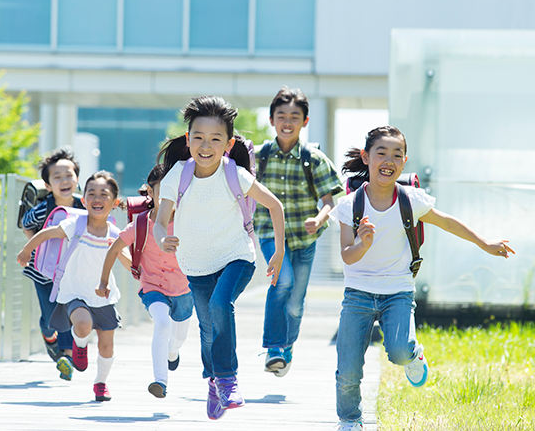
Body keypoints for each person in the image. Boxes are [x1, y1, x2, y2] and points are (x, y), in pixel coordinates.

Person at [329, 126, 515, 431]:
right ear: (366, 157)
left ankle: (414, 354)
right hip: (357, 294)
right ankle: (350, 420)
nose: (389, 160)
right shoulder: (351, 206)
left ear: (404, 162)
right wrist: (363, 244)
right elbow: (347, 255)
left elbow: (447, 223)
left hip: (398, 290)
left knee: (400, 352)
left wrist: (484, 243)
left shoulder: (410, 200)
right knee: (348, 368)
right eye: (381, 153)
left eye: (397, 154)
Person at [153, 95, 286, 420]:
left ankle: (228, 379)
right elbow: (159, 221)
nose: (205, 145)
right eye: (198, 137)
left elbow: (275, 206)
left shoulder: (235, 174)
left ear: (228, 144)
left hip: (236, 257)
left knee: (218, 305)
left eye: (215, 139)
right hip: (195, 265)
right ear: (188, 140)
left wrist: (279, 251)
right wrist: (163, 240)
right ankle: (213, 380)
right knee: (208, 328)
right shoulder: (178, 175)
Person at [255, 86, 343, 377]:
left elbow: (331, 200)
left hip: (305, 239)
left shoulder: (313, 158)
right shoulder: (259, 157)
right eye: (281, 116)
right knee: (282, 282)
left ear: (305, 121)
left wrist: (319, 219)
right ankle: (274, 348)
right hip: (270, 233)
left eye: (295, 116)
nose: (287, 122)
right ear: (271, 120)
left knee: (295, 303)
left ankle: (287, 347)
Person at [18, 171, 128, 402]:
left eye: (104, 194)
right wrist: (27, 249)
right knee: (82, 323)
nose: (97, 198)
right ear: (84, 199)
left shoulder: (116, 234)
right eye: (91, 194)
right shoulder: (75, 224)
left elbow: (128, 262)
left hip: (103, 296)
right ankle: (80, 345)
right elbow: (48, 232)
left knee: (107, 347)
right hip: (75, 292)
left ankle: (100, 383)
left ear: (115, 202)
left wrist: (138, 267)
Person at [96, 164, 193, 399]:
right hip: (153, 288)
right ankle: (160, 380)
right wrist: (103, 282)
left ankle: (172, 352)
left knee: (178, 338)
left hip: (184, 290)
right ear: (150, 192)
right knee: (162, 324)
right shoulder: (140, 224)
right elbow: (114, 249)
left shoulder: (188, 221)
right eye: (164, 192)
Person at [21, 149, 84, 375]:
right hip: (43, 273)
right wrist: (34, 246)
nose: (64, 181)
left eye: (69, 176)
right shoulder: (42, 209)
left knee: (66, 311)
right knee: (50, 318)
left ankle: (66, 358)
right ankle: (48, 335)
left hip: (71, 273)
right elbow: (26, 223)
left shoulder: (84, 207)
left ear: (77, 179)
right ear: (47, 185)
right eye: (57, 177)